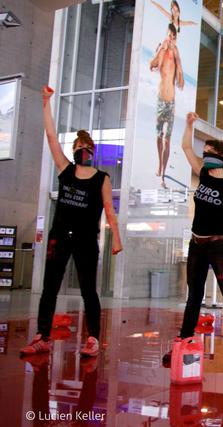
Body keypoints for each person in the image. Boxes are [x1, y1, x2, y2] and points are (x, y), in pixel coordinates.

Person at [20, 86, 123, 358]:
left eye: (87, 148)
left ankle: (92, 339)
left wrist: (118, 239)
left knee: (89, 290)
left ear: (93, 151)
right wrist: (45, 102)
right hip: (59, 237)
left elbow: (110, 211)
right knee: (50, 287)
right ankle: (42, 335)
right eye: (79, 147)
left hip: (86, 240)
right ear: (74, 150)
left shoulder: (102, 178)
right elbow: (51, 135)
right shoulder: (65, 170)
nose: (83, 151)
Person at [163, 112, 223, 372]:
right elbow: (185, 147)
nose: (205, 155)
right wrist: (189, 125)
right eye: (205, 151)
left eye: (210, 151)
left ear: (222, 157)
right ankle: (183, 342)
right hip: (196, 244)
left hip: (220, 246)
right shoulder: (202, 173)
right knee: (194, 296)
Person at [150, 23, 184, 188]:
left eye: (173, 37)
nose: (171, 40)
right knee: (158, 137)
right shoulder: (162, 54)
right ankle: (159, 164)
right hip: (160, 101)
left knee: (168, 140)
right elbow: (152, 64)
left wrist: (178, 59)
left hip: (171, 103)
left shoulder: (176, 58)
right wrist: (160, 50)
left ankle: (163, 174)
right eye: (169, 36)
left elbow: (181, 79)